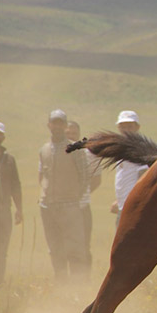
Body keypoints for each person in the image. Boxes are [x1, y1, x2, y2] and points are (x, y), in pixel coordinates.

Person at [38, 109, 89, 281]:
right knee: (54, 247)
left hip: (70, 206)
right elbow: (41, 176)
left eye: (61, 123)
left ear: (65, 126)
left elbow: (84, 177)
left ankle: (78, 286)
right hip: (47, 207)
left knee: (75, 247)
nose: (57, 126)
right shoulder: (43, 150)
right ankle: (60, 284)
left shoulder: (75, 149)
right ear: (49, 125)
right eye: (54, 122)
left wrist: (73, 196)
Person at [66, 120, 102, 272]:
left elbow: (96, 179)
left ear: (79, 134)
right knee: (65, 243)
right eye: (68, 134)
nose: (71, 137)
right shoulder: (58, 152)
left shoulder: (89, 154)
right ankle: (65, 277)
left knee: (84, 244)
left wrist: (82, 193)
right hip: (61, 207)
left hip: (82, 206)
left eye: (74, 133)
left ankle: (84, 278)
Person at [0, 121, 23, 284]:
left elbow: (16, 185)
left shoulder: (9, 160)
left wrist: (19, 210)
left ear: (3, 137)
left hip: (4, 210)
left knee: (2, 247)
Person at [111, 111, 148, 226]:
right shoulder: (120, 148)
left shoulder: (140, 148)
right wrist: (119, 200)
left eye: (130, 126)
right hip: (123, 204)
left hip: (134, 205)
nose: (126, 129)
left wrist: (134, 201)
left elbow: (143, 176)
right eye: (123, 126)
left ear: (137, 127)